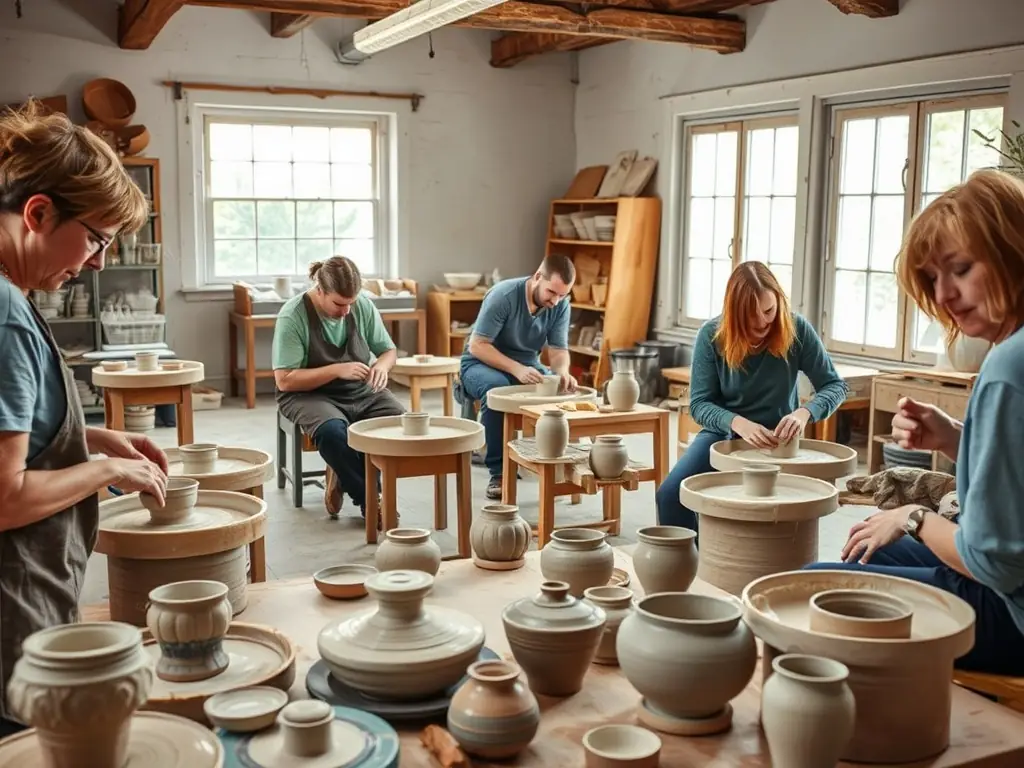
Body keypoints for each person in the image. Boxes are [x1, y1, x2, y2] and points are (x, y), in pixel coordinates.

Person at [806, 169, 1024, 675]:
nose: (944, 294)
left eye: (961, 268)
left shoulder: (1008, 366)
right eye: (931, 279)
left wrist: (913, 517)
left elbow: (992, 564)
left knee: (809, 591)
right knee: (864, 556)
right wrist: (954, 438)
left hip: (1009, 612)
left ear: (1014, 247)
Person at [0, 102, 169, 734]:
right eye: (96, 237)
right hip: (13, 606)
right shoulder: (7, 315)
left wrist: (89, 434)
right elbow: (5, 496)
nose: (99, 261)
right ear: (38, 213)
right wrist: (100, 467)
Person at [656, 261, 847, 536]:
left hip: (780, 441)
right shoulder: (712, 335)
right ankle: (695, 569)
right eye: (750, 316)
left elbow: (834, 386)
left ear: (779, 300)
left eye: (768, 311)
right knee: (671, 496)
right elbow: (699, 405)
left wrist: (803, 413)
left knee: (767, 516)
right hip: (725, 435)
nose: (761, 322)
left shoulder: (797, 329)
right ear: (733, 314)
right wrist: (739, 424)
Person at [273, 255, 404, 518]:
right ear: (320, 291)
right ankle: (371, 500)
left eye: (351, 303)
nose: (346, 311)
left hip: (358, 390)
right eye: (339, 304)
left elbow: (388, 351)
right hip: (307, 395)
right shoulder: (293, 315)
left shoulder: (362, 306)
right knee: (333, 433)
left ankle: (342, 473)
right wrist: (336, 370)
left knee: (397, 421)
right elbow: (285, 380)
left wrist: (381, 367)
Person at [460, 254, 578, 500]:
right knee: (498, 390)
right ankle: (500, 472)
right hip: (480, 362)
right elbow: (478, 345)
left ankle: (556, 464)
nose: (556, 301)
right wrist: (516, 369)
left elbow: (558, 350)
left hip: (526, 364)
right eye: (552, 293)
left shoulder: (560, 305)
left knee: (558, 390)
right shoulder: (503, 296)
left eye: (562, 295)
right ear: (537, 277)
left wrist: (563, 372)